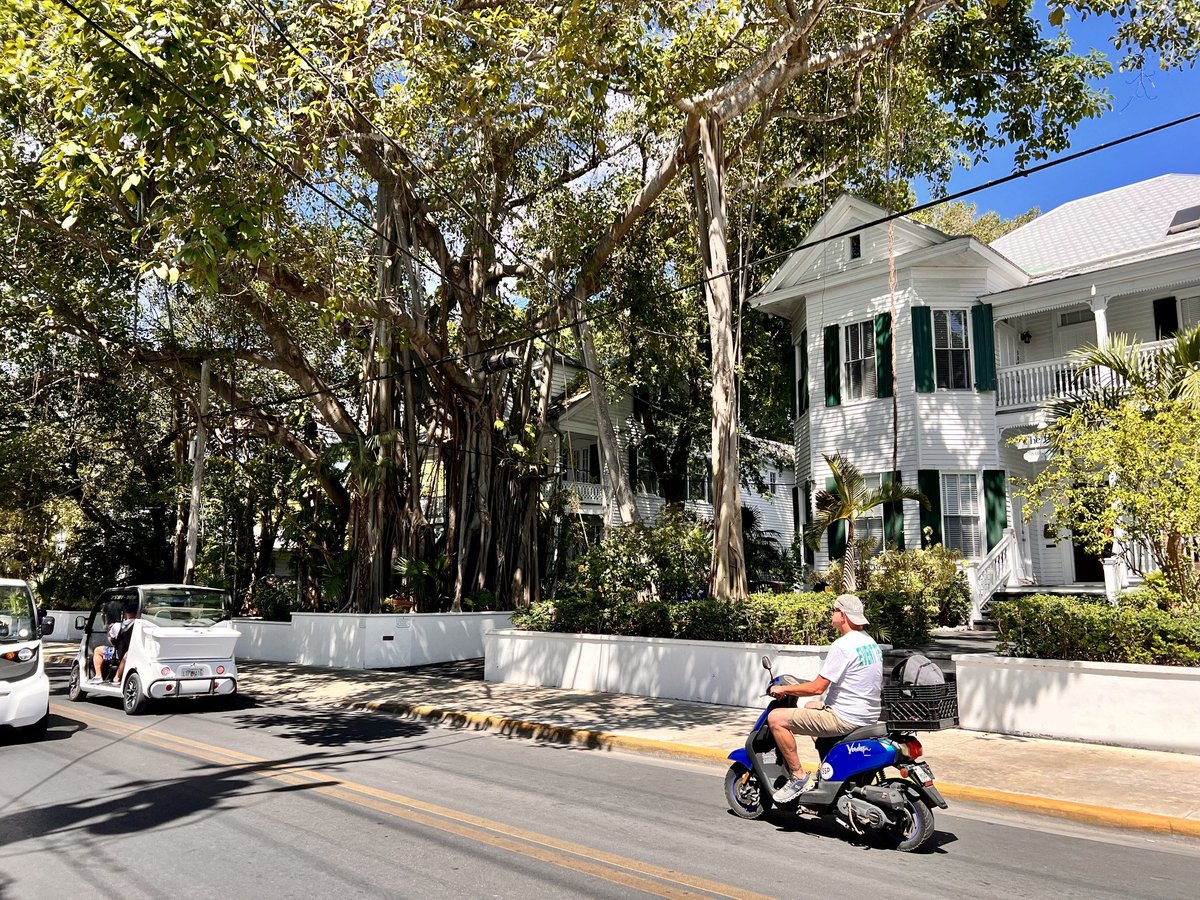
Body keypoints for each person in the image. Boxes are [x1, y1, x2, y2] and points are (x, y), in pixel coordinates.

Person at [766, 593, 883, 802]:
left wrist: (785, 690)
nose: (832, 614)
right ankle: (829, 767)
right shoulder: (869, 642)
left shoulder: (843, 645)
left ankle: (798, 777)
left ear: (843, 615)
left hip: (844, 718)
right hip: (867, 715)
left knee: (776, 719)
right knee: (811, 706)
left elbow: (817, 687)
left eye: (834, 610)